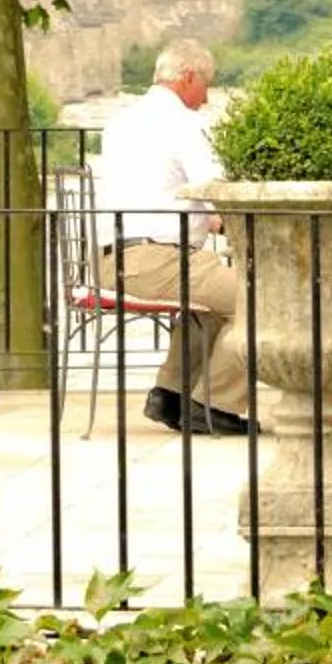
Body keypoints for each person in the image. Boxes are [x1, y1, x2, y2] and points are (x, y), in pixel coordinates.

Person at [92, 37, 249, 435]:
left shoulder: (120, 121)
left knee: (212, 297)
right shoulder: (185, 124)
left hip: (110, 258)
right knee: (263, 300)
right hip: (158, 259)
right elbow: (214, 190)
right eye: (206, 85)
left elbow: (157, 189)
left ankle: (170, 393)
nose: (207, 96)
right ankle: (216, 404)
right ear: (189, 77)